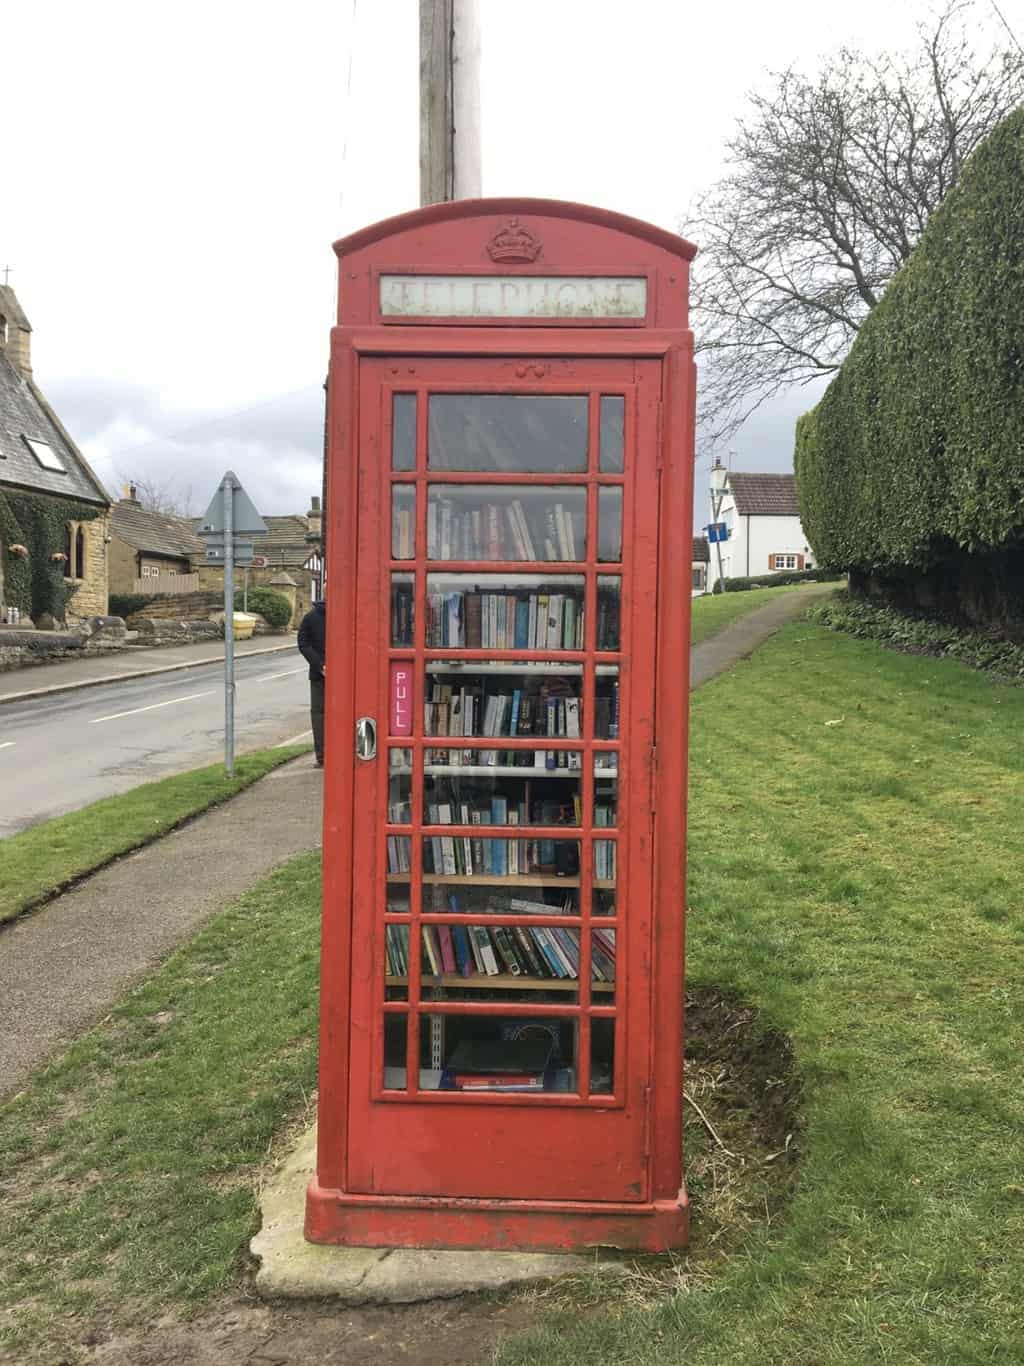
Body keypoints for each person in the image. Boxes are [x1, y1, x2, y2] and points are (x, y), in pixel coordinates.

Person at [297, 598, 326, 767]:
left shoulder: (309, 617)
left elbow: (303, 643)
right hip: (344, 674)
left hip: (318, 673)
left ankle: (322, 757)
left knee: (319, 716)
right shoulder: (350, 612)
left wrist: (319, 665)